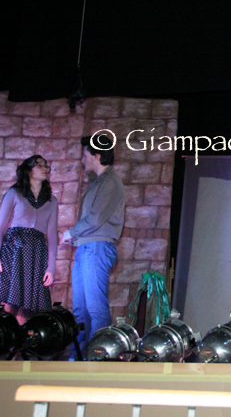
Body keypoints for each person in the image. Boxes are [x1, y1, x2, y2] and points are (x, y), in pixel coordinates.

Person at [63, 136, 126, 358]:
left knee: (96, 309)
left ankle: (98, 357)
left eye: (85, 155)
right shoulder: (98, 182)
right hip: (86, 247)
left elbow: (96, 218)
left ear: (96, 156)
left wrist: (72, 232)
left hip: (97, 247)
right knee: (80, 310)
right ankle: (79, 356)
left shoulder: (110, 182)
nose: (83, 159)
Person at [0, 155, 58, 325]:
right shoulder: (14, 193)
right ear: (29, 170)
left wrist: (51, 267)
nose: (45, 168)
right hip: (13, 251)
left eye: (46, 165)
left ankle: (17, 341)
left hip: (35, 254)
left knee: (24, 310)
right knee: (5, 304)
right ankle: (1, 337)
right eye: (39, 165)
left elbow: (52, 236)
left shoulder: (51, 201)